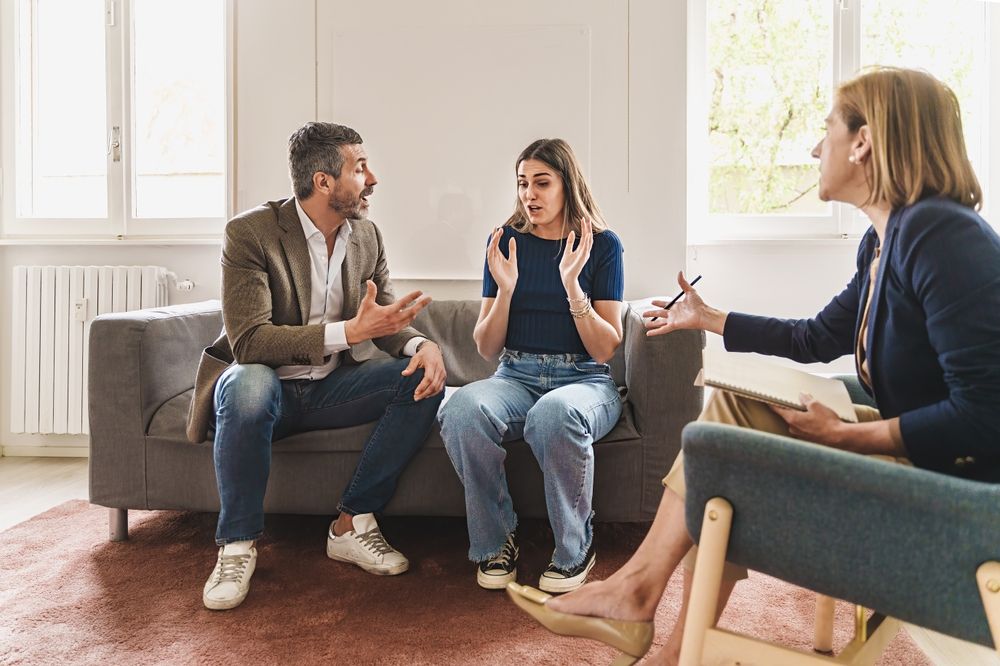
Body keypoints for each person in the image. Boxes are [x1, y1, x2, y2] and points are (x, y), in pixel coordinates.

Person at [507, 66, 1000, 664]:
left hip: (955, 500)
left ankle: (639, 600)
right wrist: (707, 316)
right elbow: (818, 336)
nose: (816, 148)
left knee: (719, 458)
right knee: (733, 407)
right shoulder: (884, 241)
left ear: (864, 143)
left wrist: (850, 436)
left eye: (827, 130)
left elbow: (986, 414)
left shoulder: (943, 236)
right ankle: (652, 619)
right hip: (919, 467)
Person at [187, 122, 447, 610]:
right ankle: (236, 546)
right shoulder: (251, 233)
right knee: (247, 384)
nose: (373, 179)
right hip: (264, 387)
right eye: (360, 168)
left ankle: (352, 523)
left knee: (421, 380)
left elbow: (383, 320)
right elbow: (249, 341)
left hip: (330, 389)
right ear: (323, 181)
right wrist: (347, 333)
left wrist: (421, 346)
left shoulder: (366, 235)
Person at [438, 138, 625, 593]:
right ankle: (495, 542)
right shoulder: (505, 242)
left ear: (567, 185)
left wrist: (572, 286)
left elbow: (605, 349)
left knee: (554, 413)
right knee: (460, 409)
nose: (529, 194)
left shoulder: (602, 246)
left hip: (583, 379)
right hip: (515, 375)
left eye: (542, 183)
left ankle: (575, 549)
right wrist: (505, 290)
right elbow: (486, 347)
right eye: (523, 183)